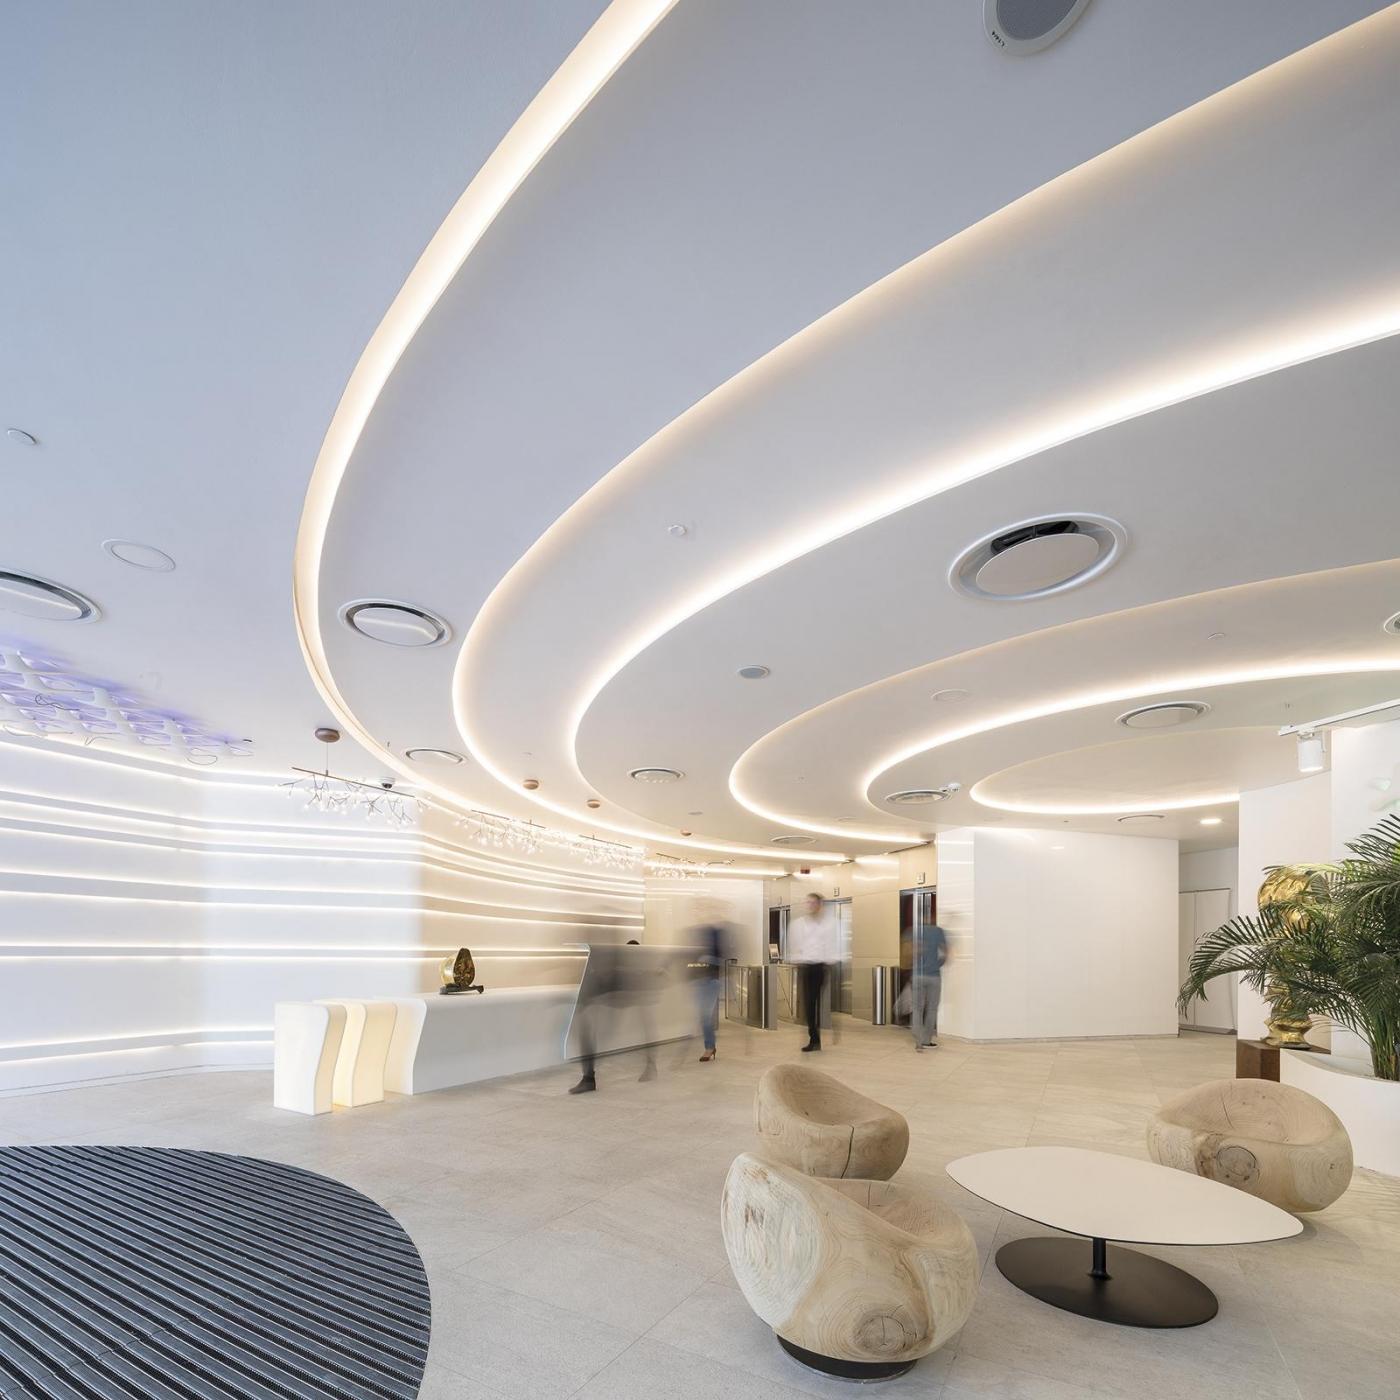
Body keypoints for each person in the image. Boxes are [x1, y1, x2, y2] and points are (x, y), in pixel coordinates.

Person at [787, 891, 839, 1052]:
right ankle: (814, 1038)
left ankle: (815, 1038)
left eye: (813, 902)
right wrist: (796, 959)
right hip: (805, 966)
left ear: (819, 904)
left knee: (812, 1002)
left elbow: (833, 944)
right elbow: (794, 944)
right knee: (809, 1004)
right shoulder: (799, 923)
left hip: (820, 967)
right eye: (808, 902)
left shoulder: (829, 924)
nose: (810, 905)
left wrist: (831, 962)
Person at [690, 905, 732, 1062]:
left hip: (712, 980)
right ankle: (710, 1045)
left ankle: (709, 1047)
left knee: (705, 1015)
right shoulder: (696, 933)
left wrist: (708, 959)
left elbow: (724, 959)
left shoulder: (717, 933)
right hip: (698, 979)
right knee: (703, 1015)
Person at [910, 921, 948, 1051]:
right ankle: (926, 1040)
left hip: (918, 975)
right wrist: (937, 965)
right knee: (932, 1009)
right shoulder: (938, 931)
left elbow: (913, 952)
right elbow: (944, 953)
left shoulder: (916, 932)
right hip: (934, 976)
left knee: (917, 1008)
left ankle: (918, 1041)